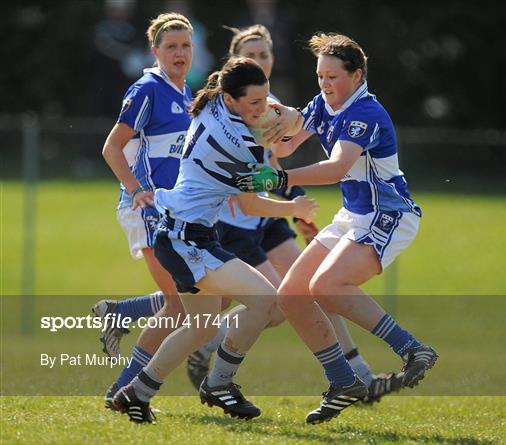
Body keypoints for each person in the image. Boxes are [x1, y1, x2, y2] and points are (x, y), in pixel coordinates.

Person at [187, 24, 402, 406]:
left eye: (265, 54)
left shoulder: (272, 106)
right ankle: (204, 349)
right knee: (261, 305)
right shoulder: (233, 111)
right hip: (239, 221)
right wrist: (290, 200)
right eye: (251, 56)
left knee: (307, 290)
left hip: (268, 219)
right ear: (235, 64)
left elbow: (276, 164)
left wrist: (297, 205)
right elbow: (257, 179)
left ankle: (360, 378)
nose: (260, 61)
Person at [236, 33, 438, 424]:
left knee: (326, 287)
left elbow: (336, 168)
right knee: (292, 295)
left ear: (357, 75)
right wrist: (268, 121)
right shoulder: (324, 104)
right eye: (320, 77)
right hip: (352, 215)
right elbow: (284, 148)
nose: (325, 84)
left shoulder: (365, 112)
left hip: (388, 215)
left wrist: (278, 181)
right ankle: (344, 382)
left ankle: (414, 350)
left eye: (332, 77)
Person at [112, 56, 318, 423]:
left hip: (181, 233)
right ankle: (220, 383)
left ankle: (136, 394)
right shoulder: (240, 143)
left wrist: (281, 112)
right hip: (186, 239)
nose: (262, 109)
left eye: (264, 99)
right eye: (254, 103)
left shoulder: (211, 104)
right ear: (231, 99)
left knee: (201, 327)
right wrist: (295, 207)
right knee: (266, 299)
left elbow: (272, 118)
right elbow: (251, 204)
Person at [94, 12, 195, 412]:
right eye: (171, 46)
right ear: (155, 51)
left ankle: (123, 320)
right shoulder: (148, 89)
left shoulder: (187, 95)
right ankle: (128, 390)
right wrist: (138, 192)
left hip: (175, 211)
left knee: (199, 301)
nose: (180, 52)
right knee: (181, 304)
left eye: (186, 45)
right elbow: (111, 147)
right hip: (146, 210)